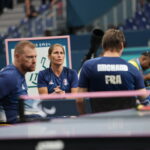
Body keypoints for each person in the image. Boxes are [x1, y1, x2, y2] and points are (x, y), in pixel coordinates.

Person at [77, 29, 150, 114]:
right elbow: (144, 98)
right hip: (127, 123)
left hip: (99, 122)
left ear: (103, 45)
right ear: (121, 46)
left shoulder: (88, 66)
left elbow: (79, 100)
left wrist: (83, 116)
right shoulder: (133, 69)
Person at [0, 40, 37, 123]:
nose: (34, 61)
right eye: (30, 57)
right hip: (12, 132)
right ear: (17, 56)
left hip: (24, 127)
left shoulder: (20, 74)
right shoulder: (10, 76)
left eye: (35, 57)